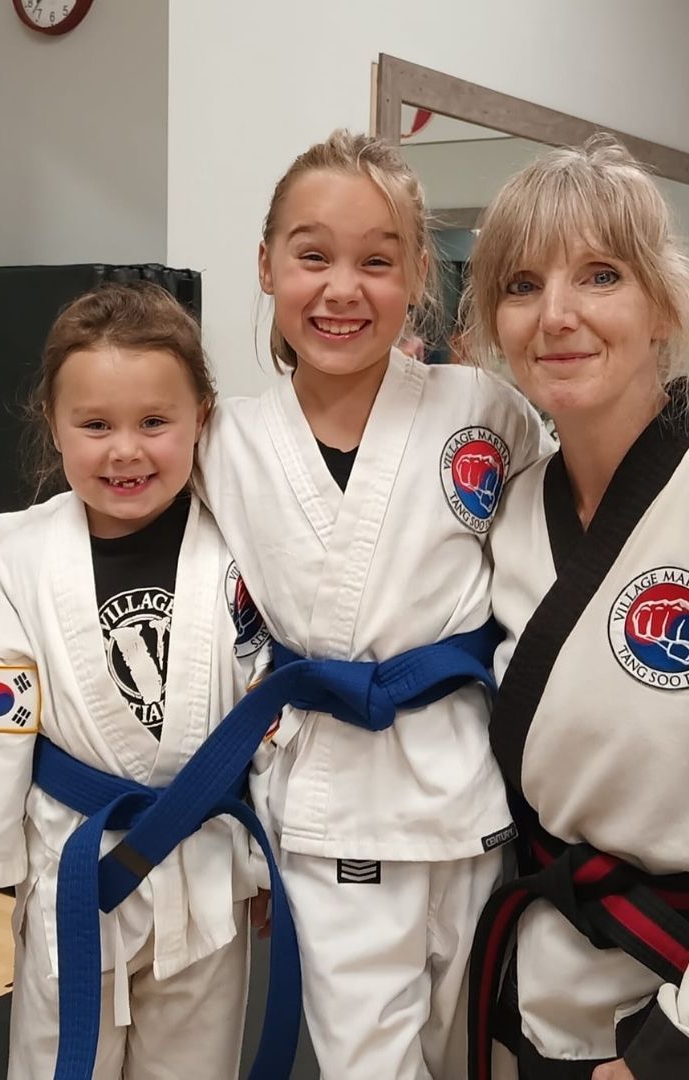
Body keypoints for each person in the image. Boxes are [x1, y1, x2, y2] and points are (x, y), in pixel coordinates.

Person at [194, 130, 551, 1079]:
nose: (342, 289)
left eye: (376, 261)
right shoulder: (216, 439)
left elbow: (547, 578)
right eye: (312, 256)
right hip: (331, 805)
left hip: (473, 794)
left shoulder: (486, 411)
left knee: (482, 1050)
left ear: (416, 277)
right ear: (267, 265)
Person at [0, 283, 276, 1080]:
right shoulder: (19, 564)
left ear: (201, 420)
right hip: (72, 874)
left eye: (155, 422)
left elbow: (268, 717)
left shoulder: (239, 550)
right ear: (54, 424)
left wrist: (267, 860)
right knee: (58, 1065)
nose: (126, 451)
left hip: (205, 864)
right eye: (95, 425)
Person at [463, 137, 689, 1080]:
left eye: (600, 275)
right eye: (522, 284)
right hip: (534, 983)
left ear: (663, 305)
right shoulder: (503, 513)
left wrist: (669, 1050)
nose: (557, 316)